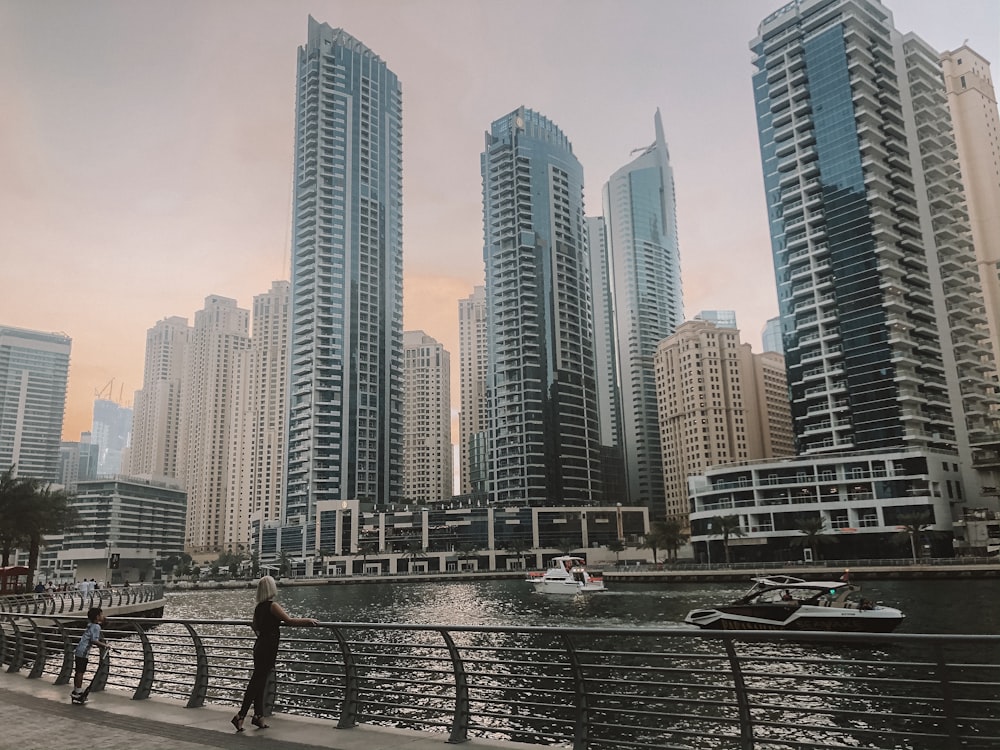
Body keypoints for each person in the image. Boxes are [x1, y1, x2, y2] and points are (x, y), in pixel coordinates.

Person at [232, 575, 318, 732]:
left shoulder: (259, 607)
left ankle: (258, 717)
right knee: (257, 682)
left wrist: (262, 635)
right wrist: (307, 620)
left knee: (260, 681)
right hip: (268, 648)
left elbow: (254, 625)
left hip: (260, 646)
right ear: (271, 588)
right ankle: (240, 716)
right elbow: (289, 621)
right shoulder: (272, 606)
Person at [72, 606, 110, 702]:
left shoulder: (90, 625)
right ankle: (78, 693)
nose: (103, 616)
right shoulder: (96, 627)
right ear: (97, 617)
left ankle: (76, 691)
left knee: (78, 671)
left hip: (79, 650)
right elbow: (94, 640)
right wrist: (104, 645)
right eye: (101, 614)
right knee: (80, 672)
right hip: (83, 652)